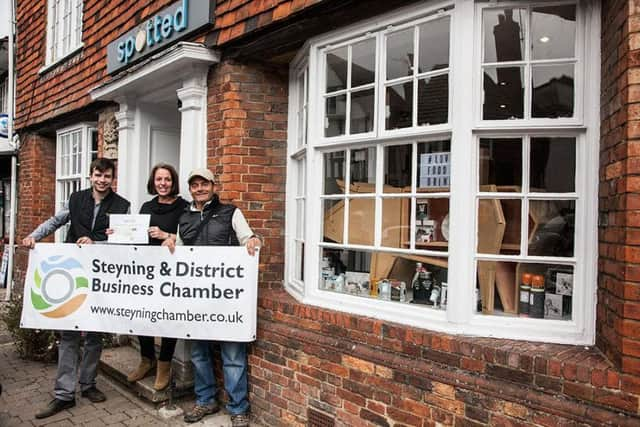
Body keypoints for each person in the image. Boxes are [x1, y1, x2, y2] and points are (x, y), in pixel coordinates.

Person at [22, 158, 130, 419]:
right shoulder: (76, 199)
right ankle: (63, 394)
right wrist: (33, 236)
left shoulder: (122, 206)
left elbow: (124, 240)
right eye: (98, 175)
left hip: (102, 277)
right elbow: (55, 222)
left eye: (107, 176)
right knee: (69, 335)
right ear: (90, 176)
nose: (102, 180)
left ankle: (88, 384)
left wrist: (97, 243)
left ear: (112, 178)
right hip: (73, 275)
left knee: (94, 335)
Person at [162, 168, 260, 427]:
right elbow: (180, 254)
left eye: (204, 184)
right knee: (199, 354)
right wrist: (171, 245)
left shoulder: (231, 212)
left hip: (228, 298)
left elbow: (248, 238)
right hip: (196, 299)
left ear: (213, 186)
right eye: (194, 185)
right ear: (190, 189)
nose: (200, 189)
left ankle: (238, 407)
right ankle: (206, 400)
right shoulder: (184, 218)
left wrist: (252, 241)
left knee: (232, 356)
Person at [125, 163, 188, 390]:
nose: (163, 183)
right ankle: (146, 359)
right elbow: (135, 236)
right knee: (143, 316)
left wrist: (166, 235)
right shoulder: (146, 206)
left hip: (172, 273)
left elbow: (189, 237)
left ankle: (164, 365)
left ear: (174, 182)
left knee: (168, 319)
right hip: (147, 271)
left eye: (167, 179)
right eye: (159, 179)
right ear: (153, 182)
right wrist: (119, 233)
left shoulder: (184, 207)